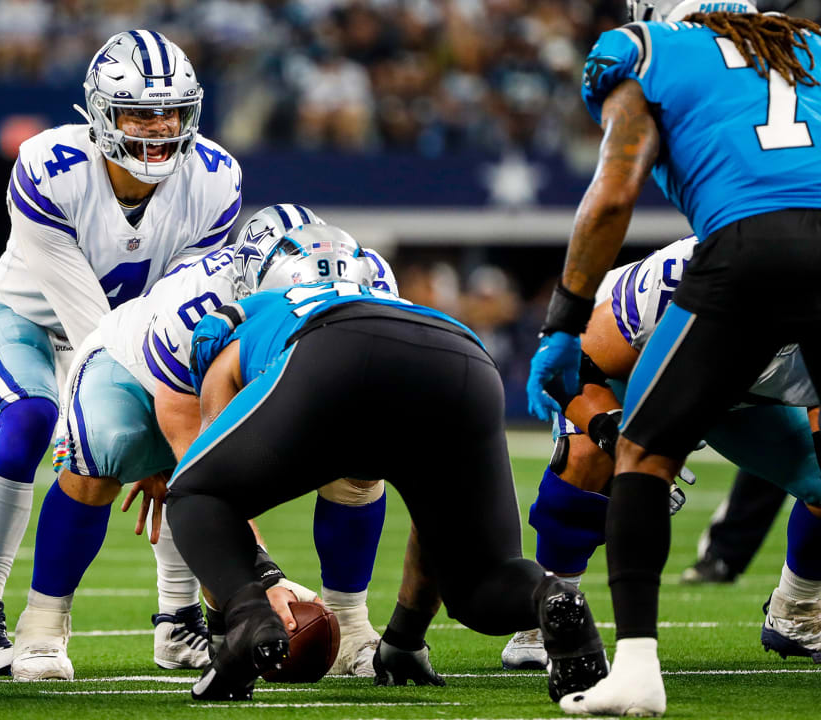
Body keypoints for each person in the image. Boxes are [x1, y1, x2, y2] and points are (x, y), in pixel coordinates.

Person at [525, 2, 821, 714]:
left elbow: (613, 192)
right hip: (756, 295)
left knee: (644, 458)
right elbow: (593, 381)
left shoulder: (645, 49)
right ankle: (549, 597)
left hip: (747, 256)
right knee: (612, 444)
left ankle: (638, 671)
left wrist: (560, 322)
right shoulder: (806, 45)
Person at [169, 223, 607, 702]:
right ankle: (553, 597)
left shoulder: (249, 313)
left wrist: (245, 598)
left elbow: (212, 481)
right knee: (483, 581)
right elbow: (431, 517)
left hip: (331, 351)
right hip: (462, 356)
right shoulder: (393, 301)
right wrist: (403, 636)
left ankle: (249, 627)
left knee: (193, 492)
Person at [0, 29, 242, 676]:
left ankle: (178, 621)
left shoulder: (215, 179)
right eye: (140, 111)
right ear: (101, 113)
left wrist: (165, 428)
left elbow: (181, 315)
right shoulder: (47, 170)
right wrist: (138, 428)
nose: (159, 127)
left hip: (143, 339)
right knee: (30, 423)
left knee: (184, 441)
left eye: (171, 110)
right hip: (25, 319)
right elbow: (92, 329)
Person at [9, 204, 403, 680]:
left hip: (276, 378)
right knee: (112, 444)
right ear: (251, 287)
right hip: (138, 375)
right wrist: (264, 577)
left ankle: (351, 625)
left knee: (360, 455)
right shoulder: (194, 307)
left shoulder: (372, 279)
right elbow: (209, 467)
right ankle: (44, 624)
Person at [503, 236, 821, 671]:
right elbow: (573, 368)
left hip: (747, 394)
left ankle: (797, 609)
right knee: (586, 460)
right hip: (626, 371)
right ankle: (547, 616)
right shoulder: (667, 286)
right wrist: (622, 442)